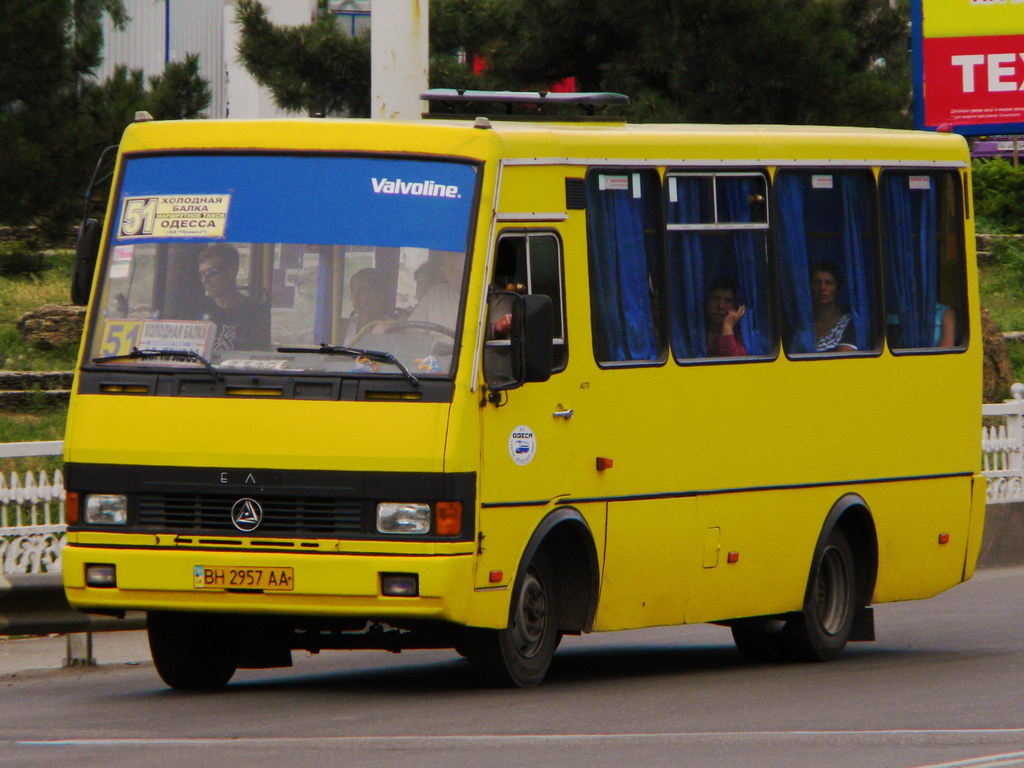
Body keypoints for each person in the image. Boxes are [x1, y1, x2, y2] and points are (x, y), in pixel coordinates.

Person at [197, 243, 270, 352]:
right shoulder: (198, 309)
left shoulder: (256, 312)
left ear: (231, 271)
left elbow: (258, 354)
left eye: (211, 273)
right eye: (202, 274)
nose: (204, 280)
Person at [408, 251, 464, 331]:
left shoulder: (482, 296)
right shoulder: (436, 294)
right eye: (455, 271)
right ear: (444, 270)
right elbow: (412, 330)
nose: (462, 276)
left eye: (466, 270)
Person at [341, 267, 396, 344]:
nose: (355, 297)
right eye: (353, 290)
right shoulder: (343, 327)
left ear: (380, 293)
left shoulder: (395, 328)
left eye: (362, 291)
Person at [810, 262, 856, 352]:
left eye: (829, 283)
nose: (822, 287)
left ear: (837, 288)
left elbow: (844, 359)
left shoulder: (849, 323)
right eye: (817, 282)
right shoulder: (802, 323)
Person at [704, 277, 746, 357]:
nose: (721, 306)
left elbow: (734, 365)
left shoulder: (743, 336)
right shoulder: (696, 333)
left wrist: (727, 326)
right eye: (715, 299)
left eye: (728, 301)